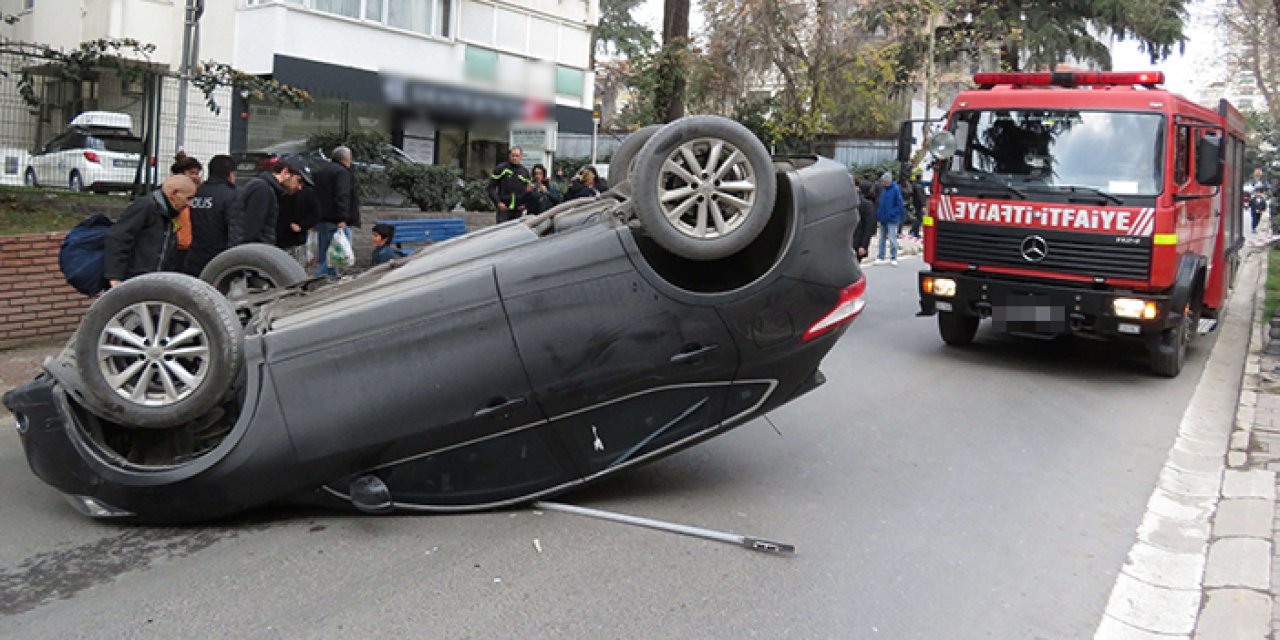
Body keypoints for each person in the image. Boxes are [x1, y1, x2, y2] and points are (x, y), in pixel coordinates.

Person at [103, 175, 197, 288]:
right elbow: (119, 238)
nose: (189, 204)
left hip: (152, 280)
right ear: (174, 193)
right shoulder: (146, 207)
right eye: (189, 198)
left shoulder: (169, 213)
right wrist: (115, 277)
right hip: (134, 280)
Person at [229, 154, 310, 247]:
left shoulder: (267, 188)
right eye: (299, 181)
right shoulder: (262, 189)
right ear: (285, 172)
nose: (299, 187)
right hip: (252, 253)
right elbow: (251, 231)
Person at [184, 155, 237, 277]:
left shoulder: (197, 192)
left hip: (194, 256)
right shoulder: (231, 195)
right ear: (230, 174)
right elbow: (235, 230)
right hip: (219, 259)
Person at [168, 153, 203, 271]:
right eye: (191, 173)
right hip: (176, 244)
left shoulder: (199, 192)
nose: (195, 177)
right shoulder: (172, 192)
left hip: (191, 244)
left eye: (197, 174)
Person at [276, 183, 320, 268]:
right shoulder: (281, 192)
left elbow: (315, 214)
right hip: (285, 237)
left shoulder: (307, 193)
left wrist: (301, 226)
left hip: (295, 238)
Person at [488, 146, 532, 223]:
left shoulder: (525, 172)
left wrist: (525, 204)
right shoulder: (501, 168)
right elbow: (491, 188)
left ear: (521, 157)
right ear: (509, 156)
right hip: (504, 208)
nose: (514, 158)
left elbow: (529, 192)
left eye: (517, 156)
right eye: (513, 155)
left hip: (518, 210)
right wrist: (498, 202)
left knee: (515, 233)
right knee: (502, 232)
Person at [875, 171, 905, 266]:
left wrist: (892, 213)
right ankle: (881, 256)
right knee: (882, 238)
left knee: (892, 238)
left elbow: (899, 205)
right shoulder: (884, 190)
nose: (882, 183)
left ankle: (894, 257)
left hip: (891, 218)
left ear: (887, 181)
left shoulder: (895, 189)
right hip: (883, 217)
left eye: (883, 181)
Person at [851, 175, 876, 261]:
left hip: (856, 243)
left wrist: (864, 245)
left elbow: (869, 227)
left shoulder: (866, 204)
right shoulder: (844, 202)